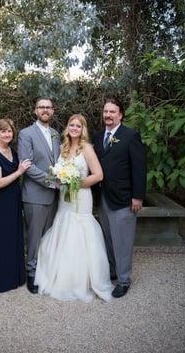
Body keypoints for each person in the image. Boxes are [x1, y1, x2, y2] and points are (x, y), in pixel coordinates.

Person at [35, 114, 113, 303]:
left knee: (79, 231)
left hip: (81, 196)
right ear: (67, 127)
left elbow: (99, 175)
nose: (74, 128)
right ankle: (59, 275)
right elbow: (57, 173)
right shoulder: (62, 148)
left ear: (83, 129)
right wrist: (61, 179)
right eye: (72, 125)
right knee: (64, 225)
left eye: (78, 126)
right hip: (64, 198)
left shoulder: (87, 149)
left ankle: (81, 279)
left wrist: (76, 183)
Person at [93, 97, 147, 298]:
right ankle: (113, 271)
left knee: (123, 241)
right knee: (108, 238)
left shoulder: (130, 135)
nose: (108, 115)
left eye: (112, 112)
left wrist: (138, 196)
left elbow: (140, 168)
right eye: (106, 111)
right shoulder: (99, 136)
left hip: (124, 198)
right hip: (104, 197)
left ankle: (124, 280)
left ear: (120, 115)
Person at [0, 118, 31, 294]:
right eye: (3, 131)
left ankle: (13, 276)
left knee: (11, 237)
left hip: (12, 201)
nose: (7, 134)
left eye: (9, 131)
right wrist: (19, 172)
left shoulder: (12, 151)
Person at [17, 97, 60, 294]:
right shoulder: (26, 134)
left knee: (48, 236)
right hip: (35, 195)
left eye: (48, 107)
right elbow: (27, 165)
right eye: (41, 107)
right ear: (35, 111)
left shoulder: (56, 134)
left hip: (55, 196)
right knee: (34, 237)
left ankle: (45, 270)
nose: (45, 110)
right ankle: (31, 273)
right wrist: (52, 182)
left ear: (53, 111)